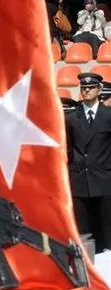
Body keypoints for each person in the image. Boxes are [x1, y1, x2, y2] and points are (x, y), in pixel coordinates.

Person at [66, 72, 111, 253]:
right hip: (80, 180)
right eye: (83, 88)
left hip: (104, 179)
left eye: (91, 88)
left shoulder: (108, 116)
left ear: (99, 90)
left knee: (107, 227)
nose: (86, 91)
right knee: (84, 229)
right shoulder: (71, 118)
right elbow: (69, 149)